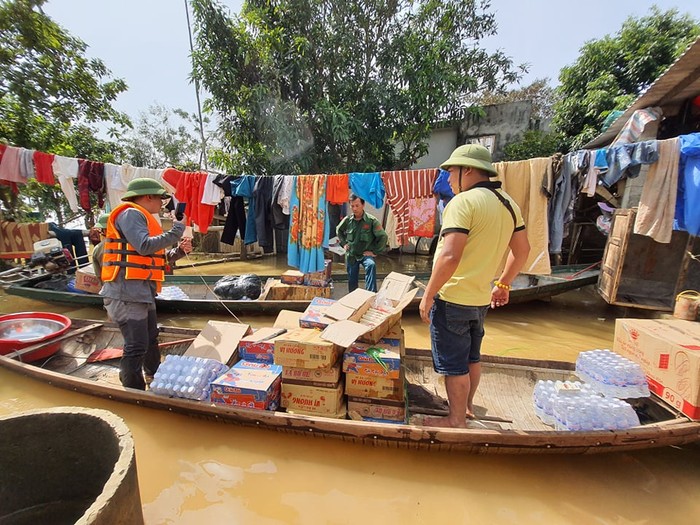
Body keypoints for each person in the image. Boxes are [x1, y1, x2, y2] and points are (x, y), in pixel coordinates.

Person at [418, 144, 530, 428]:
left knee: (453, 365)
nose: (448, 179)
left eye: (451, 171)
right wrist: (503, 284)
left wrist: (428, 295)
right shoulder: (508, 203)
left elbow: (450, 255)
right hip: (480, 299)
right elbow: (523, 250)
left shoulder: (463, 202)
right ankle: (466, 408)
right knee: (471, 357)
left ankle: (455, 420)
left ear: (467, 170)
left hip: (452, 297)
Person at [100, 178, 192, 390]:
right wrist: (177, 229)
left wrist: (179, 251)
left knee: (151, 338)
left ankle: (154, 376)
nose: (162, 203)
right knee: (137, 344)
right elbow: (143, 247)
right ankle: (133, 389)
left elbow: (154, 258)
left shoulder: (145, 219)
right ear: (148, 196)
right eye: (160, 198)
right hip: (126, 293)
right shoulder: (130, 214)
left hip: (142, 292)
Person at [336, 194, 388, 292]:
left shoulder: (371, 221)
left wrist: (375, 252)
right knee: (352, 280)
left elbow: (383, 236)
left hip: (365, 254)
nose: (354, 209)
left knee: (371, 265)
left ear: (363, 205)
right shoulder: (347, 220)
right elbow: (338, 230)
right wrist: (344, 244)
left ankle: (370, 294)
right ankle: (353, 298)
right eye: (352, 206)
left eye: (357, 205)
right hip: (352, 254)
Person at [89, 213, 110, 282]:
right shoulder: (133, 243)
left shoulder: (98, 248)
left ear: (104, 230)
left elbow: (98, 275)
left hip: (109, 288)